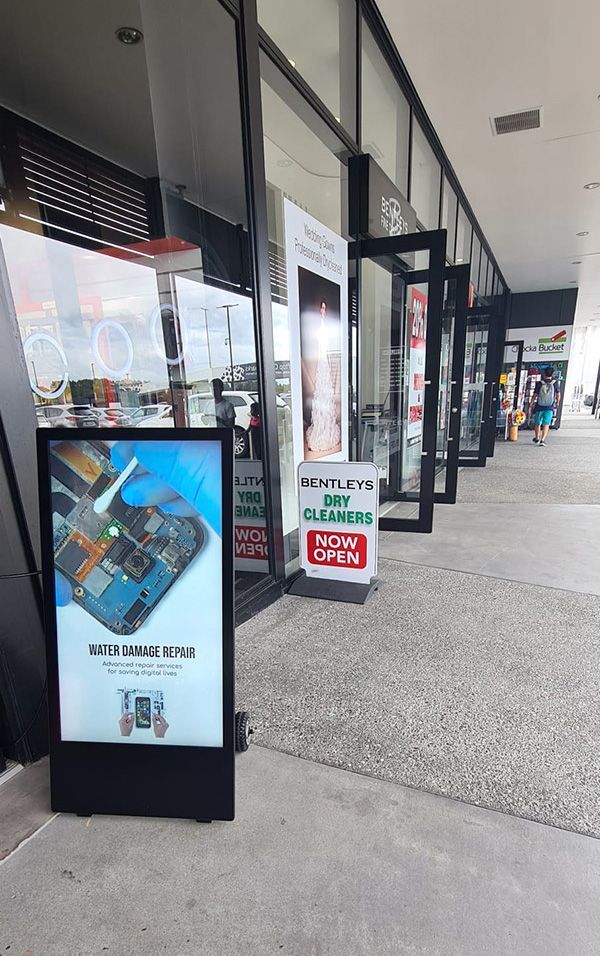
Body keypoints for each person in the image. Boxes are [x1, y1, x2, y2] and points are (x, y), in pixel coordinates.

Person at [530, 367, 560, 446]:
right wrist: (557, 402)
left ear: (544, 373)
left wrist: (531, 403)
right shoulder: (555, 383)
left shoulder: (540, 383)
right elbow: (558, 394)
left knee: (537, 423)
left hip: (540, 406)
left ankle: (537, 438)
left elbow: (535, 395)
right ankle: (542, 440)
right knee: (546, 423)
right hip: (549, 407)